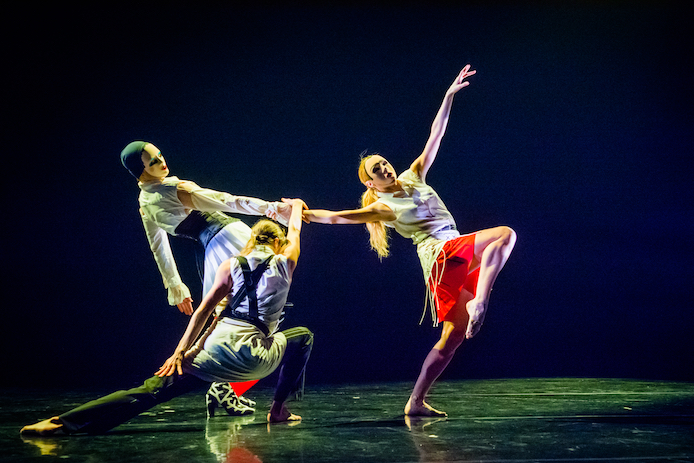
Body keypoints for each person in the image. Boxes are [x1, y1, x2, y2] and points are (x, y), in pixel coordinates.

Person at [304, 65, 516, 417]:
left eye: (384, 164)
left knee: (452, 341)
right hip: (440, 256)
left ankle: (415, 402)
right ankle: (479, 302)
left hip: (451, 255)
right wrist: (302, 214)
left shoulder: (414, 174)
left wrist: (448, 96)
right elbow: (340, 216)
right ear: (371, 184)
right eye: (377, 172)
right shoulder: (385, 207)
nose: (385, 170)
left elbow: (436, 135)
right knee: (505, 235)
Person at [20, 200, 313, 436]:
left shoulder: (230, 265)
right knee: (302, 336)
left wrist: (179, 353)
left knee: (151, 392)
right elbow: (295, 232)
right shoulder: (286, 262)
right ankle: (277, 410)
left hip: (215, 351)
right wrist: (297, 206)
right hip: (257, 356)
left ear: (252, 239)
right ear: (277, 242)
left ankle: (62, 423)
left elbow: (202, 311)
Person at [121, 141, 295, 414]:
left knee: (232, 319)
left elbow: (159, 245)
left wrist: (174, 284)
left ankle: (221, 388)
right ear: (140, 172)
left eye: (160, 155)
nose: (162, 162)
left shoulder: (145, 200)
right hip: (229, 240)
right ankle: (222, 387)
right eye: (153, 161)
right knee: (256, 317)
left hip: (214, 248)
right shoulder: (171, 190)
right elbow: (224, 200)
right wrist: (270, 208)